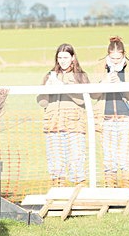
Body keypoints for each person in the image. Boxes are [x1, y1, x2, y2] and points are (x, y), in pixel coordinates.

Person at [37, 43, 90, 187]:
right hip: (53, 125)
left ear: (73, 57)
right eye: (59, 58)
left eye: (65, 57)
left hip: (74, 125)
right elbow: (42, 102)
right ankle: (58, 191)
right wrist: (46, 90)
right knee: (56, 164)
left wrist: (63, 87)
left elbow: (83, 100)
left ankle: (79, 191)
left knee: (76, 161)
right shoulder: (49, 75)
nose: (62, 61)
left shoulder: (81, 76)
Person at [97, 36, 129, 188]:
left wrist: (122, 85)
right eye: (112, 58)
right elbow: (93, 95)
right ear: (108, 55)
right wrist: (104, 84)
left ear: (124, 55)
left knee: (127, 157)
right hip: (106, 119)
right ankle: (110, 187)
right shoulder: (100, 68)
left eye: (118, 58)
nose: (115, 61)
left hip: (126, 119)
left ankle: (127, 186)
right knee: (109, 158)